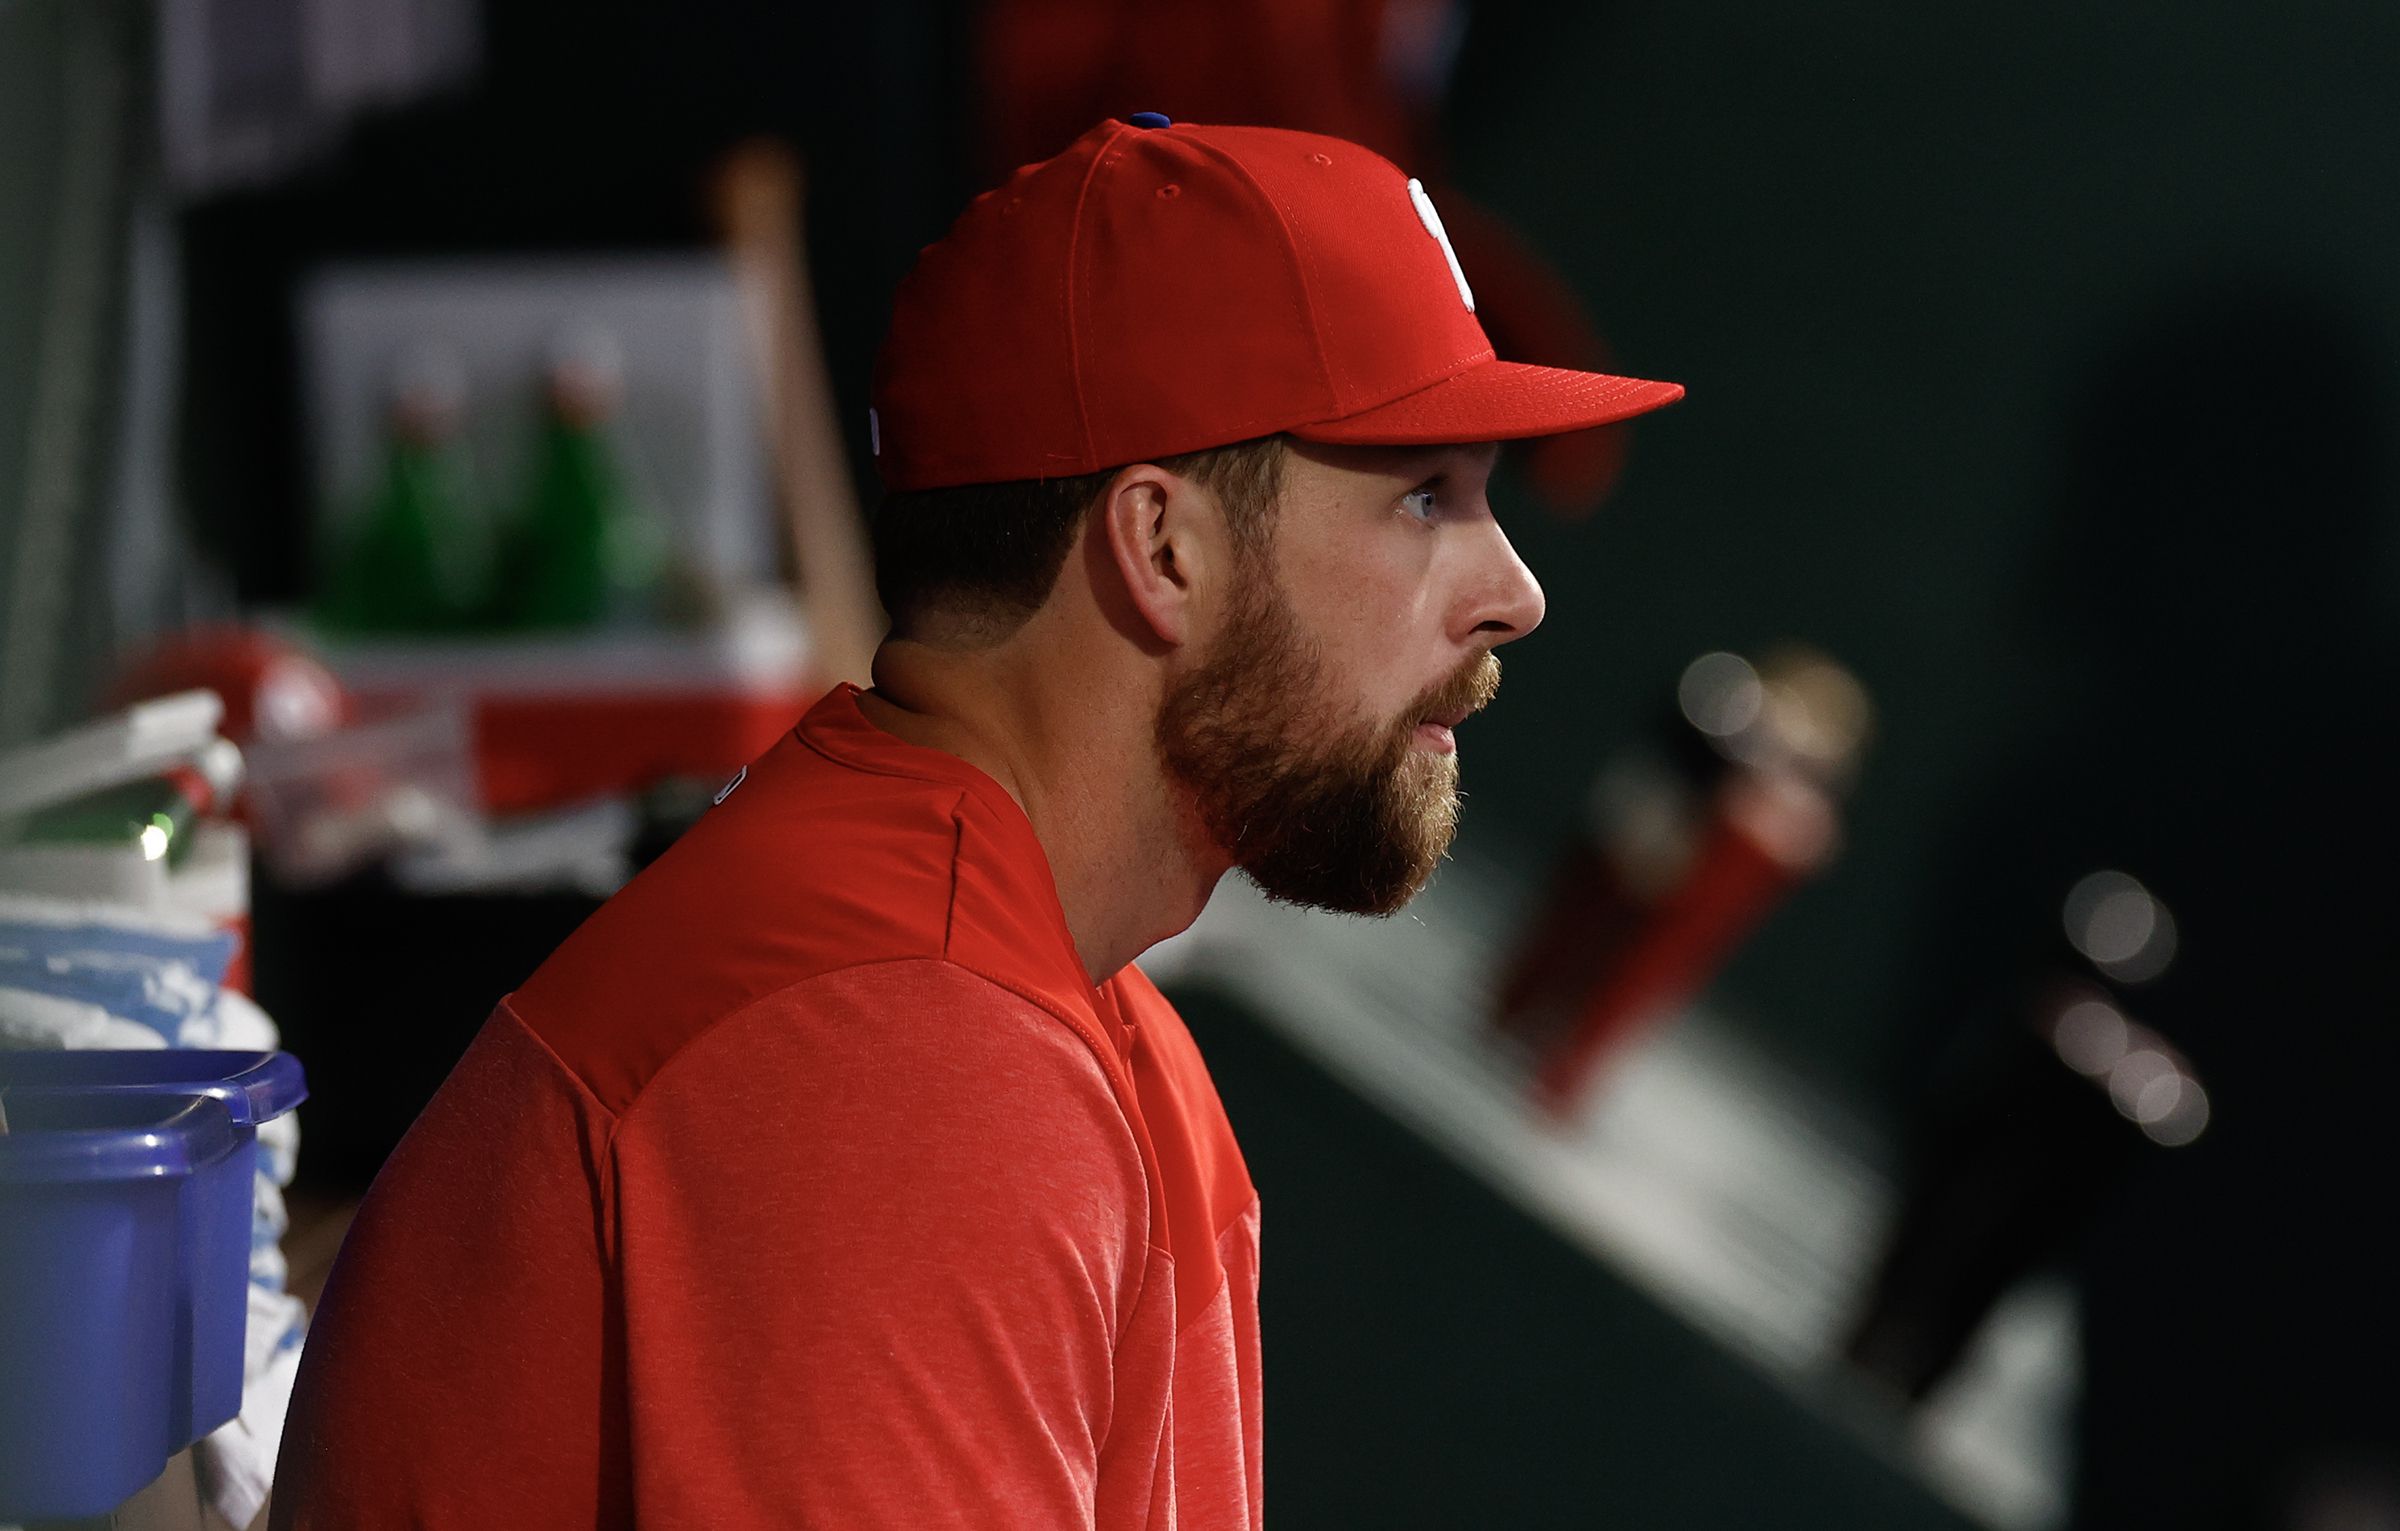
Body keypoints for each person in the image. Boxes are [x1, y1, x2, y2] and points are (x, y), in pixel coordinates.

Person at [271, 115, 1683, 1528]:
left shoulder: (1065, 1027)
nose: (1515, 593)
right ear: (1162, 548)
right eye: (1427, 497)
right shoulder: (905, 1045)